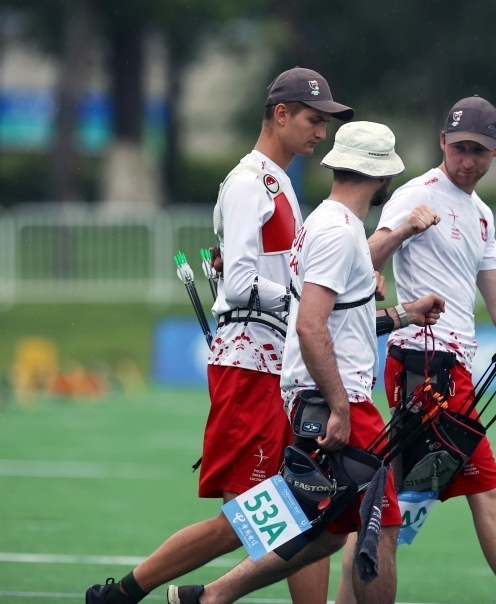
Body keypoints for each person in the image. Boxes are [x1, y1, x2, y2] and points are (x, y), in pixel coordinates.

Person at [85, 67, 353, 604]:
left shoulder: (278, 182)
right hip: (248, 367)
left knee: (300, 508)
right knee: (251, 520)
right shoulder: (250, 182)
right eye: (313, 119)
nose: (321, 132)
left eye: (325, 122)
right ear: (280, 114)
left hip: (275, 367)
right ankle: (124, 594)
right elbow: (237, 285)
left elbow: (255, 274)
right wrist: (311, 300)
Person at [167, 121, 446, 604]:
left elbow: (337, 317)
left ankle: (210, 597)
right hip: (337, 397)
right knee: (380, 525)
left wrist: (404, 313)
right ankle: (208, 596)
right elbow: (310, 325)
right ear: (382, 178)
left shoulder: (330, 223)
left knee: (334, 529)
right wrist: (339, 406)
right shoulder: (338, 232)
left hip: (323, 392)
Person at [335, 96, 496, 601]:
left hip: (448, 368)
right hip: (424, 366)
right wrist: (403, 230)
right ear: (442, 142)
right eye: (458, 148)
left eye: (477, 151)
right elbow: (357, 259)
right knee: (489, 497)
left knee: (384, 506)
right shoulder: (415, 195)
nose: (466, 159)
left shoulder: (481, 215)